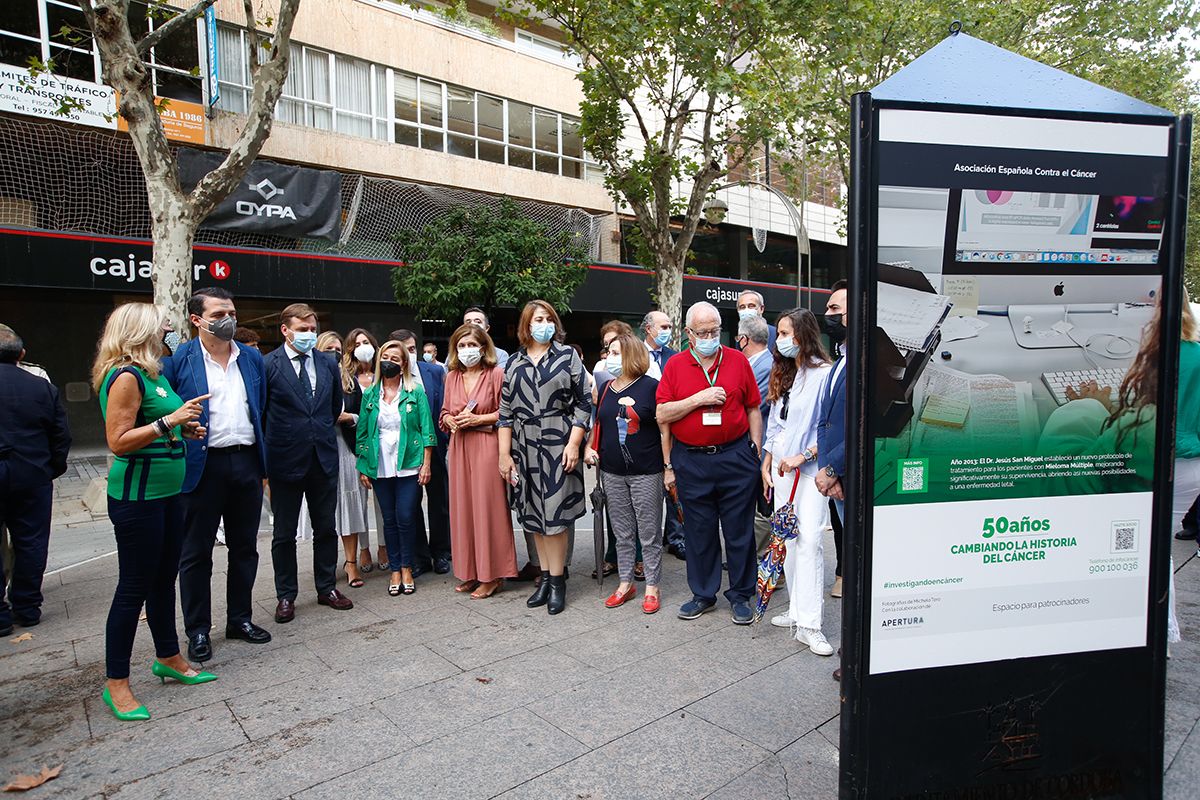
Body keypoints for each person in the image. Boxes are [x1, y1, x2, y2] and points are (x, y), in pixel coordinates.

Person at [1040, 296, 1199, 644]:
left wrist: (1086, 408)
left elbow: (1066, 476)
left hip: (1106, 561)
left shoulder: (1141, 427)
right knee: (1158, 547)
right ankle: (1162, 631)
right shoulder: (1195, 358)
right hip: (1187, 479)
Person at [93, 303, 215, 721]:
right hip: (137, 498)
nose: (170, 329)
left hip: (168, 493)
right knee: (132, 589)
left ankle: (169, 658)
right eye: (163, 324)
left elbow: (161, 422)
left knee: (164, 580)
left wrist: (185, 427)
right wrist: (170, 423)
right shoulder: (125, 376)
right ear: (141, 330)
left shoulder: (153, 375)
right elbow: (118, 441)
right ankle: (117, 684)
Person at [163, 288, 271, 664]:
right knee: (195, 553)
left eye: (232, 310)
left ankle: (240, 619)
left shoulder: (252, 359)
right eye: (220, 311)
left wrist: (263, 467)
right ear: (197, 320)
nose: (229, 317)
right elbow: (166, 412)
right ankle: (197, 630)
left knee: (245, 548)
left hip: (245, 464)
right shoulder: (179, 360)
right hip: (200, 467)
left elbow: (263, 409)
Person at [656, 301, 763, 624]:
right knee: (699, 532)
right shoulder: (675, 366)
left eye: (714, 331)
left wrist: (755, 450)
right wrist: (698, 399)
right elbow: (662, 413)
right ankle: (703, 593)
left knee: (740, 530)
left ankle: (742, 594)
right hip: (692, 460)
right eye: (702, 332)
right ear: (689, 333)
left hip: (734, 457)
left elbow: (753, 408)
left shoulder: (736, 361)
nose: (709, 337)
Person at [498, 300, 591, 615]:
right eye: (538, 319)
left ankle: (558, 580)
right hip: (523, 447)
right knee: (534, 517)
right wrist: (504, 456)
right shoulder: (513, 363)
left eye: (548, 318)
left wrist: (574, 443)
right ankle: (545, 578)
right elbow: (505, 414)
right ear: (527, 325)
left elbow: (584, 402)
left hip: (558, 442)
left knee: (555, 516)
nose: (544, 324)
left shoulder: (567, 357)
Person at [264, 303, 354, 624]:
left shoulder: (327, 362)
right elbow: (263, 415)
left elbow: (331, 409)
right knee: (284, 534)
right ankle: (286, 595)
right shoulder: (268, 365)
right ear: (285, 330)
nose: (308, 334)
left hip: (323, 459)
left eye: (312, 329)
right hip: (285, 463)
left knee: (326, 529)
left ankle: (326, 587)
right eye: (302, 329)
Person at [760, 309, 834, 655]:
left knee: (809, 542)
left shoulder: (825, 375)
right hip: (782, 470)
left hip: (811, 472)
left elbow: (831, 428)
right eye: (779, 334)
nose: (781, 340)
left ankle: (811, 624)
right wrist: (768, 461)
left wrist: (803, 456)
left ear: (803, 335)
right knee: (786, 539)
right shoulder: (785, 372)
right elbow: (776, 421)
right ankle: (795, 608)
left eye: (786, 333)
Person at [584, 333, 665, 614]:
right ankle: (625, 582)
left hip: (647, 471)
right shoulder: (606, 387)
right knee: (622, 531)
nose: (609, 357)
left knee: (649, 532)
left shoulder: (652, 387)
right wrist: (589, 448)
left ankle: (652, 586)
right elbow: (600, 423)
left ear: (632, 354)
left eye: (616, 352)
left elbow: (665, 429)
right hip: (612, 472)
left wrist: (669, 467)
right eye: (609, 351)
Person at [0, 326, 71, 637]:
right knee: (31, 542)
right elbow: (60, 436)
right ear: (22, 355)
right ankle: (27, 607)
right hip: (32, 475)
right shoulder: (41, 387)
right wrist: (50, 468)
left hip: (28, 473)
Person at [440, 324, 515, 599]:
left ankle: (493, 575)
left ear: (484, 348)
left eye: (472, 345)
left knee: (488, 509)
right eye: (462, 346)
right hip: (459, 446)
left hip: (487, 444)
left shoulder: (496, 374)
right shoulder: (451, 377)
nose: (467, 351)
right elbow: (445, 411)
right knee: (463, 510)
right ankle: (470, 571)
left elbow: (506, 413)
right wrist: (448, 418)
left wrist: (478, 419)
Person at [355, 341, 436, 596]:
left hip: (409, 461)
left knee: (405, 516)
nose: (390, 361)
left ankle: (407, 566)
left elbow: (427, 430)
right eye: (386, 357)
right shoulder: (370, 393)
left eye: (396, 358)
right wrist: (363, 465)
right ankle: (394, 571)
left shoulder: (415, 392)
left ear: (404, 365)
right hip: (379, 462)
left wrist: (427, 463)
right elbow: (363, 432)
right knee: (388, 519)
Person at [294, 332, 371, 588]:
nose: (334, 353)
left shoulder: (349, 381)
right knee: (325, 511)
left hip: (345, 449)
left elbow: (364, 417)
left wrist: (350, 417)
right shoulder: (305, 379)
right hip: (315, 449)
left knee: (350, 506)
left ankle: (351, 563)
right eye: (328, 348)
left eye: (338, 349)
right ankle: (324, 565)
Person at [390, 329, 452, 576]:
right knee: (409, 504)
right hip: (405, 451)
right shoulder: (390, 375)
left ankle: (441, 553)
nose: (411, 354)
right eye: (405, 350)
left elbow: (444, 405)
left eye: (413, 349)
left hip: (434, 446)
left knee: (439, 502)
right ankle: (419, 557)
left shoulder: (435, 372)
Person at [817, 281, 848, 682]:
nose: (831, 315)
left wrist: (833, 468)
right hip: (835, 475)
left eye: (837, 308)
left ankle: (858, 651)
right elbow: (827, 422)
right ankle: (853, 646)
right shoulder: (840, 356)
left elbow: (860, 422)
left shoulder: (865, 356)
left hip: (846, 473)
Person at [641, 310, 685, 560]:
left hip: (672, 430)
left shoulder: (675, 357)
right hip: (646, 430)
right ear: (649, 328)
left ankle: (676, 537)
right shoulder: (635, 355)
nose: (668, 330)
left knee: (673, 483)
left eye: (670, 326)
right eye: (664, 326)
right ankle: (650, 540)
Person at [346, 327, 384, 572]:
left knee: (382, 501)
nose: (363, 347)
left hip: (383, 446)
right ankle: (364, 549)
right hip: (355, 448)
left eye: (366, 342)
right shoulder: (346, 379)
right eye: (358, 343)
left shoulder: (384, 375)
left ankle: (383, 546)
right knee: (358, 501)